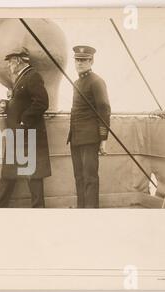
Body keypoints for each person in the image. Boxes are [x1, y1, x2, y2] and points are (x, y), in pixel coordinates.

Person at [0, 47, 51, 208]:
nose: (9, 65)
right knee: (10, 172)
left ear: (17, 61)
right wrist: (7, 104)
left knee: (33, 175)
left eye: (10, 62)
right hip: (18, 134)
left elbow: (42, 102)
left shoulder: (32, 76)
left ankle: (38, 209)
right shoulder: (22, 78)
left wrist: (24, 120)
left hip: (27, 133)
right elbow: (23, 102)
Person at [67, 45, 111, 208]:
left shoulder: (97, 82)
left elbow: (104, 109)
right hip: (76, 137)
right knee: (79, 177)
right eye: (77, 60)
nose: (79, 63)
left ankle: (91, 212)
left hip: (90, 138)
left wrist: (103, 139)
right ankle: (81, 210)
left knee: (90, 177)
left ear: (91, 61)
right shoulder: (77, 82)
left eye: (84, 60)